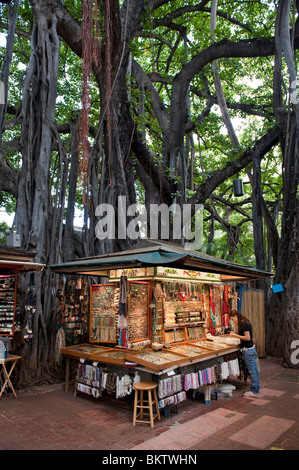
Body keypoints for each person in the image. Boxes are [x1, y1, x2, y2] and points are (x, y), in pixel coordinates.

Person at [229, 309, 260, 397]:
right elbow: (245, 335)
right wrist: (236, 333)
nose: (233, 321)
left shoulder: (244, 324)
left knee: (252, 370)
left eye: (232, 319)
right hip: (250, 349)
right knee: (254, 370)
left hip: (248, 350)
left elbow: (247, 338)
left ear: (235, 316)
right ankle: (256, 387)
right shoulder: (244, 322)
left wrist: (236, 335)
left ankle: (253, 390)